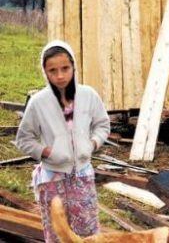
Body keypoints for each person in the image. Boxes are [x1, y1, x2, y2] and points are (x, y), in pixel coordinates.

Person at [15, 40, 110, 242]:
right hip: (51, 181)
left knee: (88, 233)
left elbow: (102, 125)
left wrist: (92, 143)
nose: (60, 76)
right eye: (53, 70)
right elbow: (24, 138)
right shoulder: (38, 102)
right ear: (45, 72)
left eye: (65, 68)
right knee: (57, 233)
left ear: (73, 66)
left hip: (82, 176)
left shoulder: (89, 96)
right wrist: (47, 152)